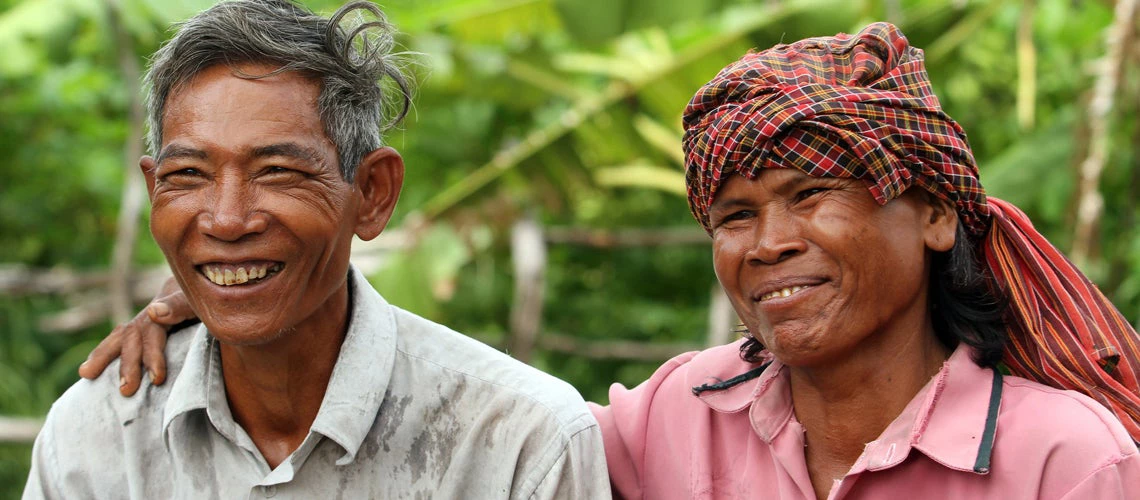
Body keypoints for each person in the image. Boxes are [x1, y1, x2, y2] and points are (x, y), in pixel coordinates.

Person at [82, 22, 1140, 500]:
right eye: (733, 212)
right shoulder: (682, 418)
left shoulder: (1064, 459)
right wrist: (232, 293)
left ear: (936, 214)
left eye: (813, 195)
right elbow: (481, 419)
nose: (768, 242)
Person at [24, 1, 609, 498]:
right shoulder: (99, 433)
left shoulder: (516, 442)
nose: (226, 220)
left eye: (277, 171)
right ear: (155, 192)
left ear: (373, 194)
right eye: (189, 174)